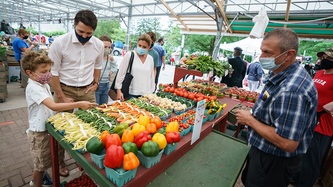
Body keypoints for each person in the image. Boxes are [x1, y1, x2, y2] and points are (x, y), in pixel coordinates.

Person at [235, 28, 318, 187]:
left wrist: (250, 121)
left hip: (274, 160)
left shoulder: (292, 90)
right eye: (261, 51)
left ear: (289, 55)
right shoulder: (280, 72)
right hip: (264, 151)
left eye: (268, 52)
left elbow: (288, 143)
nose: (261, 57)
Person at [21, 51, 96, 187]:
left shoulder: (42, 84)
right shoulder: (33, 87)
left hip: (47, 127)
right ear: (30, 73)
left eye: (49, 70)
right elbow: (53, 106)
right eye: (44, 71)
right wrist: (79, 104)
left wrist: (65, 100)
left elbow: (50, 103)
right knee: (40, 165)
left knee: (46, 159)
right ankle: (36, 183)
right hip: (39, 132)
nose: (48, 74)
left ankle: (44, 179)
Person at [48, 9, 104, 175]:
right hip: (64, 89)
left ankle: (89, 160)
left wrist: (95, 83)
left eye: (89, 33)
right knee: (61, 128)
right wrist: (61, 96)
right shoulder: (60, 43)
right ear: (74, 25)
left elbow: (98, 66)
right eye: (81, 32)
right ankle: (60, 163)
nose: (84, 36)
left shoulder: (98, 45)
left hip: (87, 89)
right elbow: (53, 72)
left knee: (94, 125)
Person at [295, 47, 333, 187]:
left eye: (328, 58)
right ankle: (297, 180)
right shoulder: (319, 73)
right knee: (301, 155)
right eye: (323, 57)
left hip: (322, 124)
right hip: (307, 120)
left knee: (311, 160)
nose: (324, 60)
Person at [115, 33, 155, 101]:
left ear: (149, 47)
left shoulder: (150, 59)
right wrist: (118, 91)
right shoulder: (130, 55)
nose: (141, 48)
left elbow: (151, 77)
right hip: (131, 93)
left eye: (144, 47)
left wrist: (152, 92)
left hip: (145, 95)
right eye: (139, 45)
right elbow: (121, 73)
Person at [95, 35, 117, 105]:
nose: (107, 49)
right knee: (95, 106)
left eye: (109, 47)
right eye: (105, 47)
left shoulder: (110, 58)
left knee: (104, 106)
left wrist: (111, 71)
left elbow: (115, 67)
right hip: (96, 85)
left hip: (106, 85)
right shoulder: (95, 57)